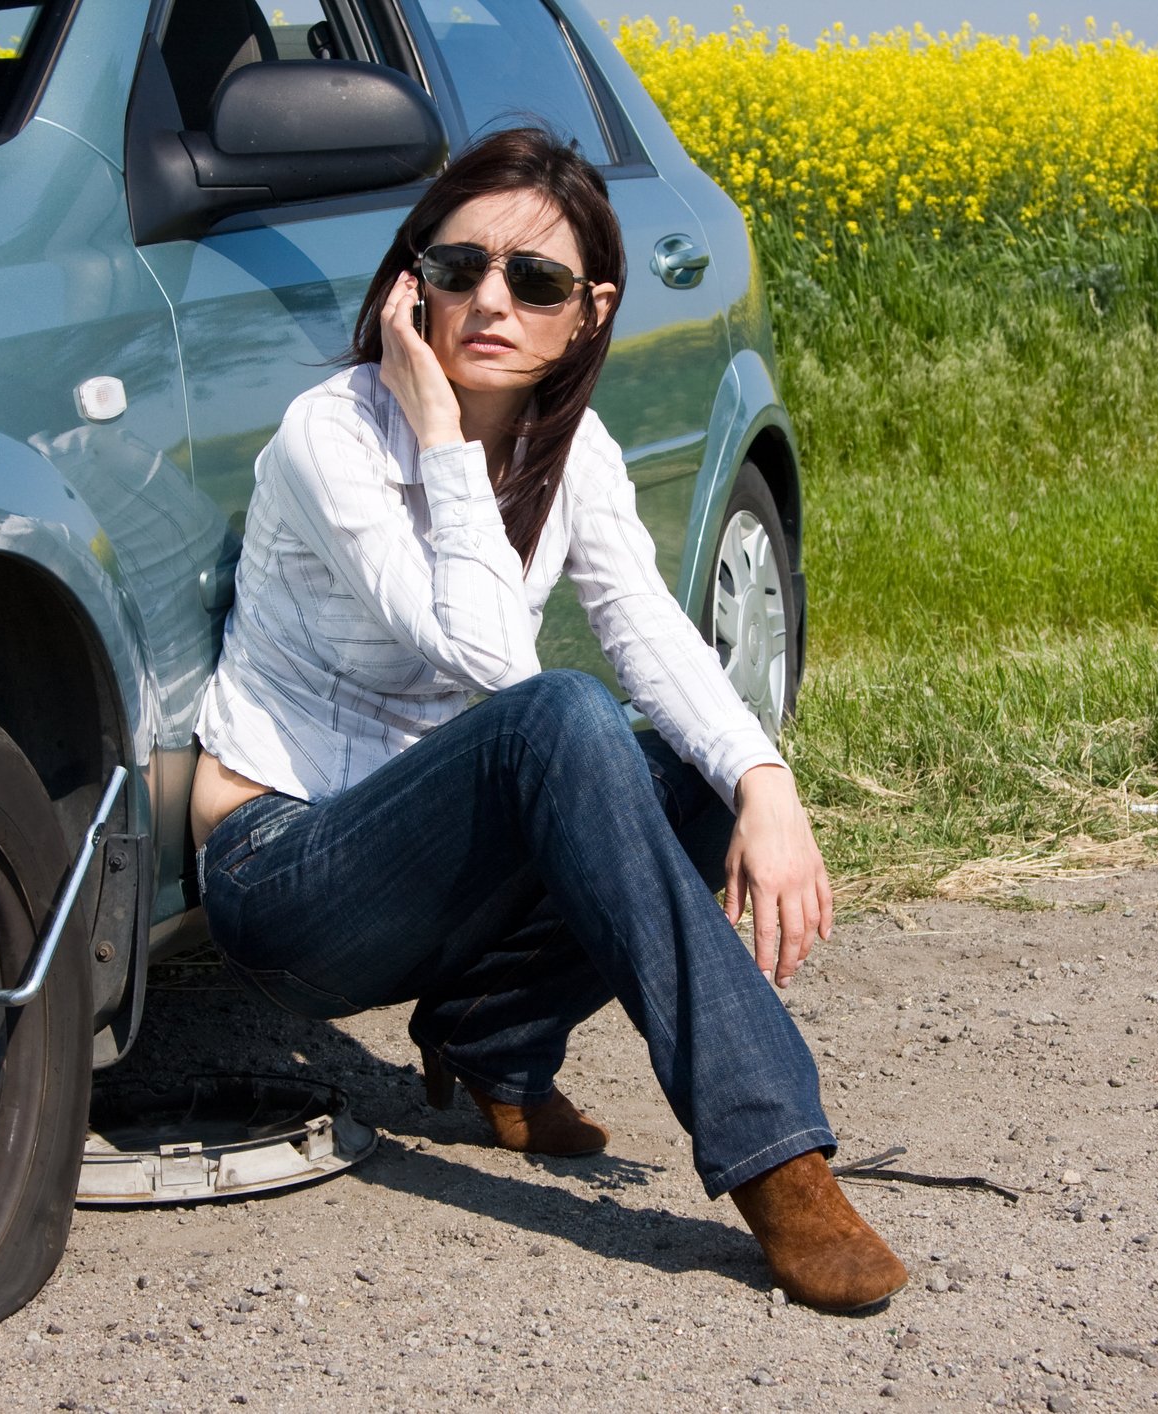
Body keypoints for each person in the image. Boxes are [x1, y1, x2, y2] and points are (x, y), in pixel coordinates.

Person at [189, 128, 906, 1312]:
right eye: (460, 267)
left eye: (536, 282)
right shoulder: (336, 433)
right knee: (562, 717)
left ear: (589, 311)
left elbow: (653, 636)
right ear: (411, 278)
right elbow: (491, 665)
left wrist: (762, 782)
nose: (491, 301)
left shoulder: (571, 450)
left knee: (686, 770)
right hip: (288, 879)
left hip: (432, 883)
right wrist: (438, 434)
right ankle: (779, 1155)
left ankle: (491, 1039)